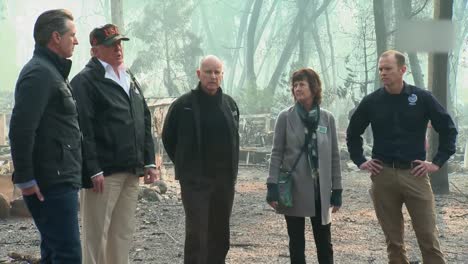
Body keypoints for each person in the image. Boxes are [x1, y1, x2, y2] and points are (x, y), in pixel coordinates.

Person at [346, 50, 458, 264]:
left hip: (415, 174)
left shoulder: (422, 98)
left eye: (388, 69)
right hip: (383, 175)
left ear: (402, 70)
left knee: (428, 237)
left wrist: (436, 162)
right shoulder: (372, 101)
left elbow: (448, 129)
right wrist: (360, 160)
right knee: (394, 242)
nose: (383, 73)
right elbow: (353, 133)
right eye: (380, 69)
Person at [70, 24, 159, 264]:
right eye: (111, 45)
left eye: (120, 43)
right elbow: (83, 129)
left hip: (131, 169)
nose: (118, 49)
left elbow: (144, 119)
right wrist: (93, 169)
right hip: (103, 174)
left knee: (121, 234)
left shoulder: (129, 77)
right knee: (96, 236)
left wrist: (148, 161)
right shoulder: (84, 82)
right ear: (95, 51)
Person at [9, 9, 82, 263]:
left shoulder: (52, 72)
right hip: (51, 183)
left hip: (60, 178)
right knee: (67, 254)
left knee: (54, 253)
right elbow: (21, 128)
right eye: (72, 35)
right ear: (55, 37)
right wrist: (26, 179)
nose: (76, 40)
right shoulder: (39, 74)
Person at [162, 55, 240, 264]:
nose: (212, 77)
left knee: (220, 233)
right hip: (195, 182)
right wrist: (185, 166)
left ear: (222, 75)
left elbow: (235, 139)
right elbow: (168, 137)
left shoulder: (229, 105)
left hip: (224, 181)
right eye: (208, 72)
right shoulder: (183, 105)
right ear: (199, 74)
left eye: (217, 72)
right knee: (197, 234)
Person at [266, 68, 342, 264]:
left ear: (314, 88)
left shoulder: (327, 118)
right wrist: (272, 186)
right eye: (295, 85)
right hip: (294, 188)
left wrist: (337, 189)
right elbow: (276, 153)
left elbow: (334, 156)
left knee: (324, 242)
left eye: (302, 84)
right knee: (296, 243)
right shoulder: (285, 116)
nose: (297, 88)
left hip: (320, 191)